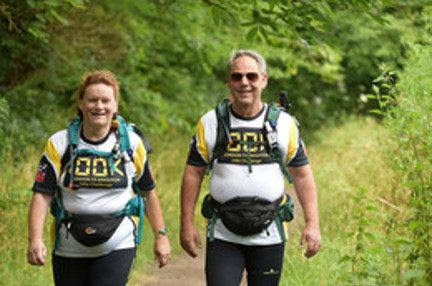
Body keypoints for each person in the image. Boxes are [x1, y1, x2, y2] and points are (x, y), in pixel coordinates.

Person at [180, 50, 321, 286]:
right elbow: (193, 173)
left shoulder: (284, 124)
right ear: (229, 81)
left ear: (264, 80)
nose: (244, 83)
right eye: (237, 77)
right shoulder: (210, 122)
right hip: (223, 232)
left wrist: (312, 224)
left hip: (270, 234)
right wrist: (186, 224)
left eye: (251, 76)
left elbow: (302, 174)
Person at [27, 70, 171, 286]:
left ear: (115, 106)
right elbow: (42, 195)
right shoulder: (59, 143)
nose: (99, 106)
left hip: (118, 242)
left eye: (106, 100)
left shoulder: (131, 144)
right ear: (81, 103)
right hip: (69, 246)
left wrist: (161, 236)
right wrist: (35, 240)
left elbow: (148, 193)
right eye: (92, 100)